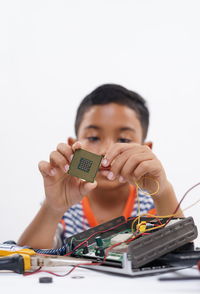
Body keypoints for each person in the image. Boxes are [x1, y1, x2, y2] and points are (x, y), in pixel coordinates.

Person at [18, 84, 183, 249]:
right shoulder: (65, 205)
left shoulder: (153, 204)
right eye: (93, 137)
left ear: (146, 150)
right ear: (73, 146)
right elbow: (25, 256)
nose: (106, 150)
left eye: (124, 139)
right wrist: (53, 208)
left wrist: (163, 192)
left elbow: (183, 253)